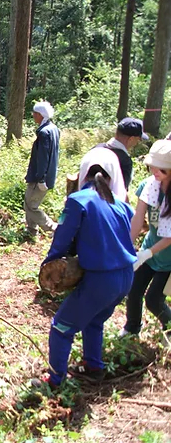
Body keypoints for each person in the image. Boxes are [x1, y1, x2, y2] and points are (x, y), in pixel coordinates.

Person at [34, 147, 136, 387]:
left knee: (61, 327)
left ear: (84, 175)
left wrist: (49, 266)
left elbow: (62, 237)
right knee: (93, 321)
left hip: (102, 278)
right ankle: (93, 367)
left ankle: (55, 379)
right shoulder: (119, 205)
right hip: (125, 277)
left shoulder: (79, 200)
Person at [120, 140, 171, 347]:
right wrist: (128, 249)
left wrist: (148, 253)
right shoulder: (149, 186)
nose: (155, 173)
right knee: (133, 289)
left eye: (162, 170)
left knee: (154, 299)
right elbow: (138, 218)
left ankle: (169, 328)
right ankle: (132, 327)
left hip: (168, 258)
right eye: (152, 167)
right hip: (150, 248)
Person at [24, 101, 60, 238]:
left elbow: (43, 158)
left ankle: (52, 228)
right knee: (30, 202)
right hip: (48, 175)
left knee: (30, 206)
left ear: (40, 114)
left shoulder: (44, 133)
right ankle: (32, 230)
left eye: (35, 113)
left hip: (40, 177)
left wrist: (41, 178)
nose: (33, 115)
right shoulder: (54, 129)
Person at [96, 117, 149, 191]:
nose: (137, 143)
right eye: (138, 139)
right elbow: (121, 192)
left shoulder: (96, 148)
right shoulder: (125, 162)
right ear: (131, 139)